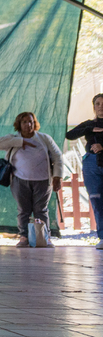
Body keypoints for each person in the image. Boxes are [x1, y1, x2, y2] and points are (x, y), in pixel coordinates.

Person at [0, 112, 62, 246]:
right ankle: (24, 237)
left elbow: (58, 157)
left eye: (31, 122)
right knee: (23, 210)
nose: (28, 125)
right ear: (19, 124)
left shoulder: (44, 138)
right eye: (24, 122)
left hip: (43, 180)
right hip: (19, 180)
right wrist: (21, 141)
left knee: (41, 210)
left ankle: (43, 237)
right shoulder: (13, 139)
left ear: (35, 123)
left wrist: (57, 176)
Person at [66, 94, 103, 246]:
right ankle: (102, 237)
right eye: (98, 103)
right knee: (96, 199)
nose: (101, 106)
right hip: (92, 165)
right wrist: (89, 128)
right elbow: (69, 135)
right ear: (93, 107)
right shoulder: (89, 124)